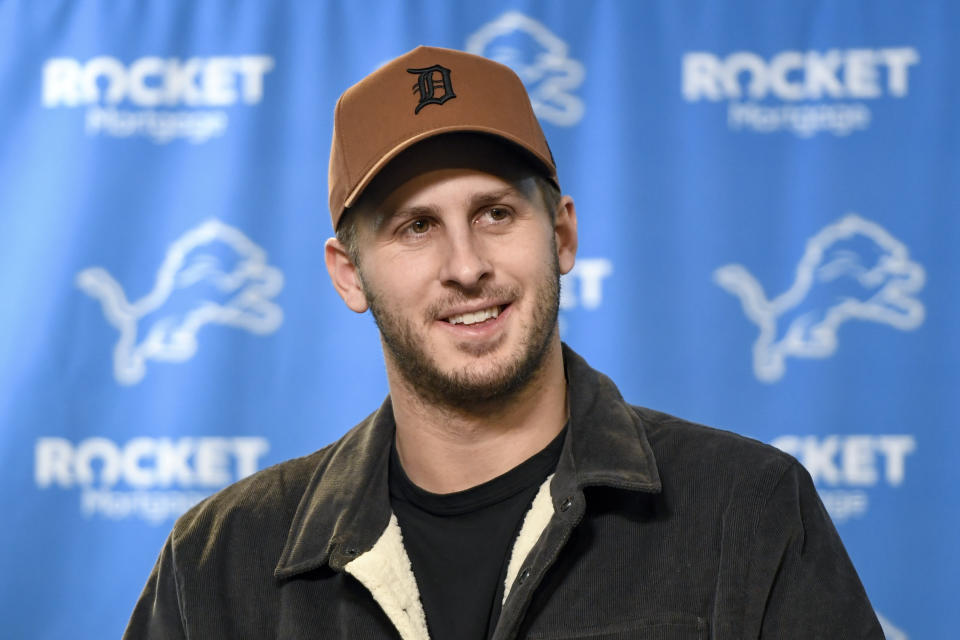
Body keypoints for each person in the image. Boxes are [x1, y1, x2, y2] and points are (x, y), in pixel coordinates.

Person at [124, 46, 883, 640]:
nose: (466, 267)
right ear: (348, 276)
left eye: (494, 214)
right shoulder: (219, 562)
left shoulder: (745, 510)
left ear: (562, 234)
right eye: (416, 227)